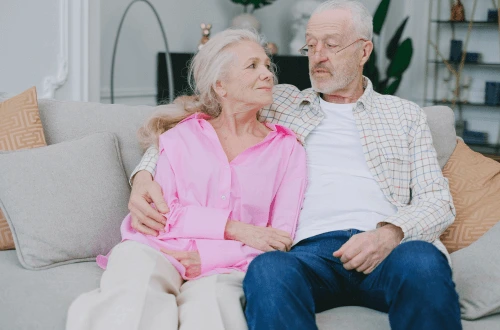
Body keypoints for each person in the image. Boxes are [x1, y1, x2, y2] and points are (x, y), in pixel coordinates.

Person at [129, 1, 462, 330]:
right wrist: (144, 174)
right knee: (269, 270)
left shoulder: (404, 115)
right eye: (311, 46)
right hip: (307, 253)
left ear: (364, 51)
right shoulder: (280, 102)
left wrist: (388, 234)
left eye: (331, 45)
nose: (317, 56)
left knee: (423, 261)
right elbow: (199, 124)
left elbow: (437, 200)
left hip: (387, 249)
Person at [65, 29, 307, 330]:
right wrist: (235, 228)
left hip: (230, 264)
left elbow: (278, 238)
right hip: (154, 248)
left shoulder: (288, 150)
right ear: (221, 85)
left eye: (267, 66)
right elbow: (161, 214)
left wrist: (209, 255)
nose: (268, 74)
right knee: (134, 300)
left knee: (213, 309)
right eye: (252, 66)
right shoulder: (181, 136)